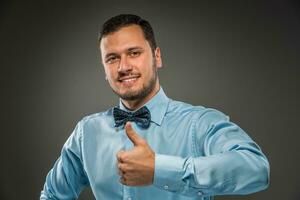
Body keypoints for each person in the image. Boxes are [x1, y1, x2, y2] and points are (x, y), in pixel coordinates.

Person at [40, 14, 270, 200]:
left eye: (134, 53)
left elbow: (256, 169)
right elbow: (51, 195)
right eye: (112, 58)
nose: (123, 67)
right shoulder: (86, 132)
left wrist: (159, 169)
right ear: (104, 68)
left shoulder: (199, 123)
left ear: (157, 57)